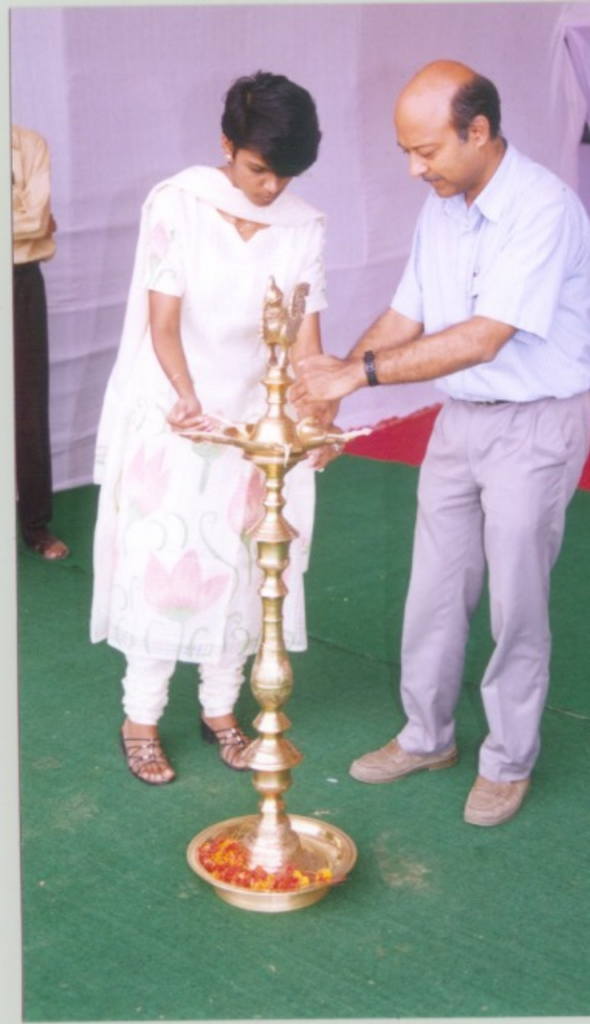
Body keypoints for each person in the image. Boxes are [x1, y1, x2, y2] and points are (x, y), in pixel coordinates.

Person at [291, 60, 590, 826]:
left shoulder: (542, 208)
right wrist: (332, 383)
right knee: (433, 588)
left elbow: (482, 338)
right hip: (458, 425)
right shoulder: (446, 206)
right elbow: (406, 316)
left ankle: (507, 758)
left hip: (535, 423)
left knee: (515, 598)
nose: (412, 167)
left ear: (479, 131)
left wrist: (352, 376)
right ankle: (426, 735)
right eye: (405, 150)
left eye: (425, 150)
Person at [90, 72, 336, 785]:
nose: (269, 189)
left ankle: (221, 710)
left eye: (285, 175)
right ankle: (140, 719)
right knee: (164, 565)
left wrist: (317, 415)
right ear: (226, 145)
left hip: (256, 416)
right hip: (174, 407)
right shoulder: (181, 203)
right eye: (259, 170)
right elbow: (161, 322)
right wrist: (187, 400)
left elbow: (307, 340)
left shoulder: (304, 224)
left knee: (244, 561)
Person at [12, 125, 69, 560]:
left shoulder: (28, 145)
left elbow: (37, 218)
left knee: (27, 408)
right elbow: (31, 221)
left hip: (18, 283)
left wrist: (34, 221)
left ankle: (35, 525)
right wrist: (28, 219)